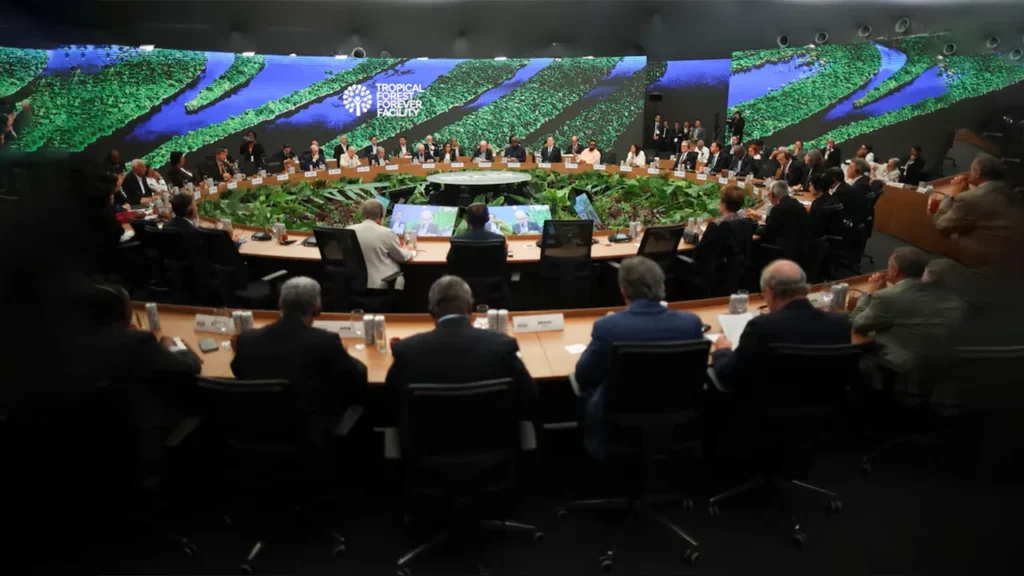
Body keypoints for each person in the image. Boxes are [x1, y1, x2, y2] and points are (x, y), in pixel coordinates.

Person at [574, 256, 704, 458]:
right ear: (662, 286)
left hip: (618, 424)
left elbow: (583, 376)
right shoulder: (691, 323)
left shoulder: (607, 327)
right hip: (677, 418)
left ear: (623, 291)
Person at [384, 275, 538, 429]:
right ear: (470, 307)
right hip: (493, 440)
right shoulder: (503, 347)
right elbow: (530, 398)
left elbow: (389, 407)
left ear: (431, 311)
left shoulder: (406, 352)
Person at [232, 277, 368, 446]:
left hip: (255, 431)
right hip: (310, 436)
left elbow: (237, 371)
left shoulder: (246, 340)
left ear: (280, 303)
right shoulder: (326, 341)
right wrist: (344, 353)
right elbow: (358, 377)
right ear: (317, 307)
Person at [710, 260, 851, 389]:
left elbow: (731, 376)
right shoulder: (841, 324)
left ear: (770, 292)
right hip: (826, 404)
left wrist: (722, 350)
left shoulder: (760, 327)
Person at [850, 248, 963, 376]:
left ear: (895, 271)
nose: (886, 270)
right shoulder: (947, 294)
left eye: (889, 267)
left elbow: (857, 323)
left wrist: (869, 293)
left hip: (898, 365)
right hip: (938, 363)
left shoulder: (888, 297)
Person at [930, 152, 1024, 269]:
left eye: (971, 169)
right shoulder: (1009, 192)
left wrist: (951, 194)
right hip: (1012, 261)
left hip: (985, 264)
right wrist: (964, 191)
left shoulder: (972, 199)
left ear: (978, 172)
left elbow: (941, 225)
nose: (968, 173)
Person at [692, 185, 755, 295]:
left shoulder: (717, 226)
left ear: (724, 205)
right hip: (739, 272)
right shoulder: (747, 222)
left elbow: (700, 253)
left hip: (718, 275)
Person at [347, 199, 415, 289]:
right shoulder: (386, 233)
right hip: (382, 284)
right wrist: (410, 251)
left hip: (354, 284)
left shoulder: (348, 230)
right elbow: (402, 257)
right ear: (381, 215)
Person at [747, 180, 811, 262]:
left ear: (773, 194)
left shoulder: (778, 209)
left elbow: (769, 233)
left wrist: (756, 234)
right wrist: (760, 217)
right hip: (802, 249)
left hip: (784, 252)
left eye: (769, 195)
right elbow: (779, 220)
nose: (769, 198)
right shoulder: (796, 203)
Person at [835, 158, 871, 227]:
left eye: (850, 167)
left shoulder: (859, 187)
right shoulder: (864, 181)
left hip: (850, 220)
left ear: (857, 170)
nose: (847, 170)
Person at [807, 173, 844, 239]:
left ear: (818, 187)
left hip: (821, 239)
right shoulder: (832, 199)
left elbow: (813, 227)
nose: (809, 188)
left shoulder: (819, 204)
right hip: (834, 237)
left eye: (811, 185)